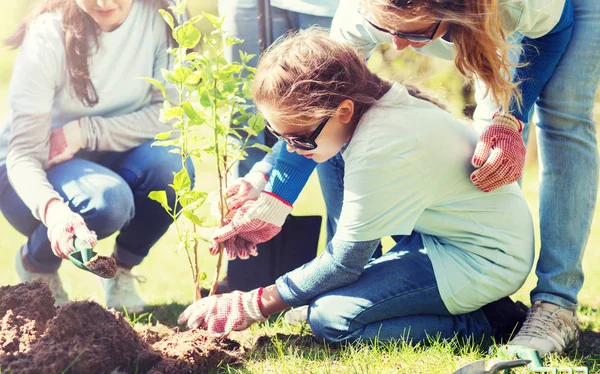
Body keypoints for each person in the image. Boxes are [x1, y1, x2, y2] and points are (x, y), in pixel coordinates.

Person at [211, 0, 600, 356]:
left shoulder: (511, 7)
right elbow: (317, 108)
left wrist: (510, 118)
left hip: (554, 16)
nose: (396, 46)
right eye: (387, 30)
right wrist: (272, 189)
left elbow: (552, 31)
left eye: (414, 33)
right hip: (458, 238)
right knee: (338, 150)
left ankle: (555, 303)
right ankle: (370, 287)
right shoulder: (361, 16)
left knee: (564, 117)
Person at [178, 29, 534, 345]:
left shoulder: (380, 146)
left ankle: (488, 322)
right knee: (324, 299)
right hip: (447, 240)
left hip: (484, 259)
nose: (290, 149)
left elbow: (345, 262)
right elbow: (311, 142)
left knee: (333, 319)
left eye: (299, 139)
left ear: (344, 110)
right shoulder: (372, 109)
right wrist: (264, 185)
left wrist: (254, 303)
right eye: (278, 135)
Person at [0, 0, 193, 312]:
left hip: (114, 152)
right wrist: (54, 212)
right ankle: (35, 263)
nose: (103, 3)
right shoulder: (48, 33)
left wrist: (85, 132)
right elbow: (22, 155)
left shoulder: (165, 17)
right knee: (107, 203)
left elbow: (169, 115)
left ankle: (121, 271)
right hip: (34, 170)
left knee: (173, 168)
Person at [209, 0, 340, 295]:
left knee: (329, 115)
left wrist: (276, 196)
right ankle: (247, 269)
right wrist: (263, 177)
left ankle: (346, 258)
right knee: (249, 117)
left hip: (324, 7)